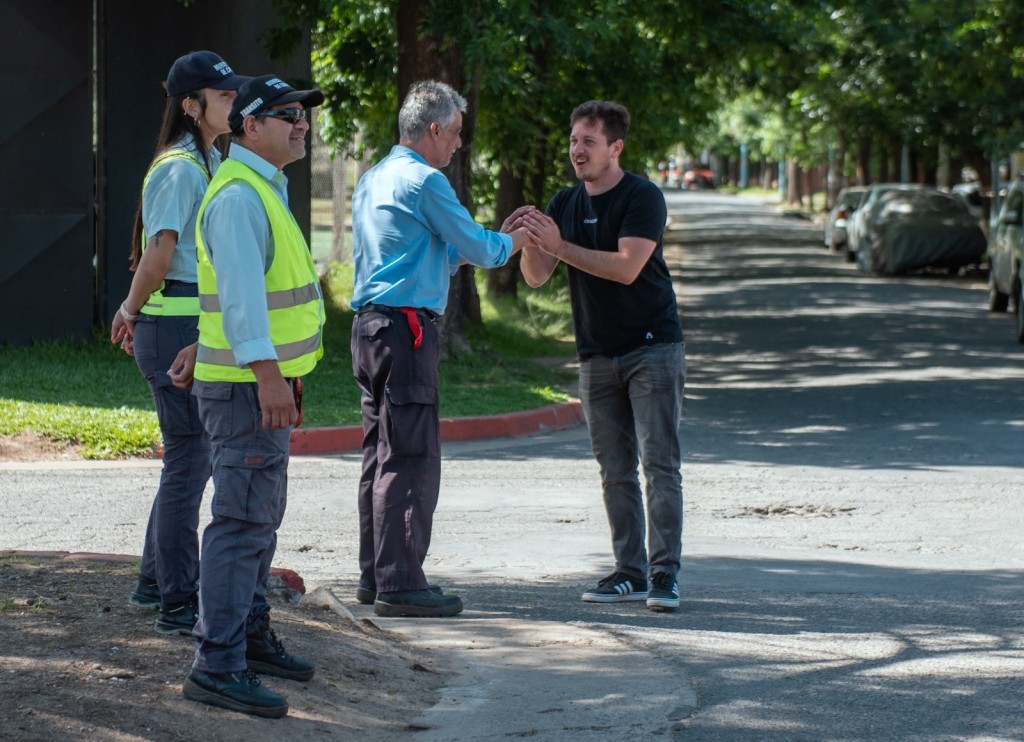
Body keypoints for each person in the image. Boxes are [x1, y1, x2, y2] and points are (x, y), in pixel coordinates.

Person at [350, 80, 533, 619]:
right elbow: (478, 248)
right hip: (407, 330)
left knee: (377, 455)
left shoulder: (374, 178)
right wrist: (512, 241)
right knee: (410, 458)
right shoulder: (426, 181)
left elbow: (429, 255)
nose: (458, 145)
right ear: (432, 129)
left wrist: (480, 247)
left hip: (368, 329)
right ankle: (401, 583)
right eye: (454, 133)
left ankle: (375, 573)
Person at [181, 74, 325, 718]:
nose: (302, 124)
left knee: (257, 519)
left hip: (260, 384)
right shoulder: (240, 196)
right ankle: (218, 663)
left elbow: (239, 296)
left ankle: (248, 636)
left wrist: (274, 373)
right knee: (241, 524)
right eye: (288, 114)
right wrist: (268, 375)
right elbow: (240, 302)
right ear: (250, 127)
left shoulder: (261, 188)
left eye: (303, 115)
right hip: (249, 390)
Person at [520, 100, 685, 612]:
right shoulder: (564, 202)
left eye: (588, 141)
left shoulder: (642, 197)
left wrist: (559, 245)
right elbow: (536, 275)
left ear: (615, 147)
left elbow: (626, 267)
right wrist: (530, 239)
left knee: (658, 464)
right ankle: (628, 571)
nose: (576, 150)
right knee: (614, 468)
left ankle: (664, 575)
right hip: (596, 353)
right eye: (573, 140)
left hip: (652, 347)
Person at [110, 50, 248, 635]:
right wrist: (128, 308)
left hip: (185, 326)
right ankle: (175, 600)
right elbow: (161, 253)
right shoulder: (181, 168)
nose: (233, 104)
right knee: (189, 463)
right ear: (191, 107)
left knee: (188, 462)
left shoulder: (210, 159)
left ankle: (154, 582)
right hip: (173, 329)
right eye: (222, 97)